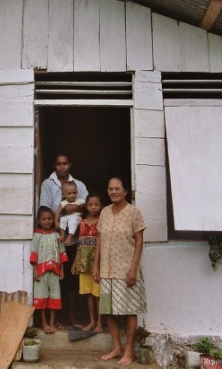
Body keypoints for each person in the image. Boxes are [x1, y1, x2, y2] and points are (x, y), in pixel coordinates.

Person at [93, 177, 146, 366]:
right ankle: (117, 347)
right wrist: (96, 266)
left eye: (117, 188)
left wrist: (133, 269)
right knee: (109, 310)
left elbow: (139, 242)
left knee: (129, 311)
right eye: (110, 189)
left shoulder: (134, 213)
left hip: (125, 271)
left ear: (125, 192)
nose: (114, 191)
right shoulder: (105, 212)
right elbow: (99, 240)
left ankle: (129, 351)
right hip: (106, 270)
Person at [39, 154, 88, 326]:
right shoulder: (47, 183)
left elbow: (87, 205)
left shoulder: (79, 185)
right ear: (54, 165)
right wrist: (61, 215)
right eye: (58, 163)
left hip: (74, 240)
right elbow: (44, 208)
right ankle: (57, 317)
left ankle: (71, 315)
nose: (62, 167)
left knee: (72, 279)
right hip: (53, 238)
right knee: (54, 278)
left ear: (70, 164)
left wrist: (74, 207)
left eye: (65, 163)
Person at [30, 206, 68, 333]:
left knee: (54, 296)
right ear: (39, 221)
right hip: (41, 272)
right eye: (44, 219)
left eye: (49, 219)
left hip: (55, 271)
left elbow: (62, 252)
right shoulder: (37, 235)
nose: (47, 221)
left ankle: (52, 321)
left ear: (53, 219)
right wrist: (35, 270)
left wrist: (62, 269)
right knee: (41, 297)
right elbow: (34, 253)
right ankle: (43, 322)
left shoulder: (57, 235)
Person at [71, 193, 103, 333]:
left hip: (98, 263)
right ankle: (92, 321)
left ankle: (100, 324)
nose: (93, 207)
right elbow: (79, 243)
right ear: (86, 206)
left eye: (96, 204)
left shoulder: (102, 221)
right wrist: (74, 262)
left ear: (101, 206)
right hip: (83, 263)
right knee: (88, 293)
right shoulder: (82, 222)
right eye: (90, 204)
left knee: (98, 294)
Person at [55, 181, 85, 245]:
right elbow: (58, 212)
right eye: (69, 193)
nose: (72, 195)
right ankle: (62, 235)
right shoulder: (63, 203)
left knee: (72, 222)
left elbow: (86, 208)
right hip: (67, 217)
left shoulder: (80, 201)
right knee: (62, 219)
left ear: (77, 193)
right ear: (63, 194)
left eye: (74, 193)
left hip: (77, 218)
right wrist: (56, 222)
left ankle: (69, 238)